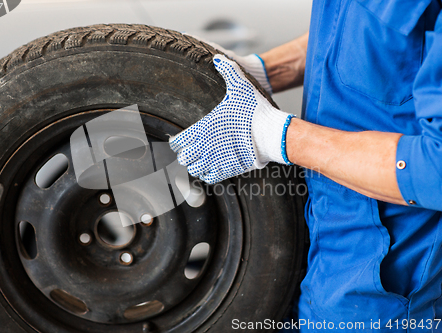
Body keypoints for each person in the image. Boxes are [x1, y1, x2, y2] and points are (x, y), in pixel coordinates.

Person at [169, 0, 442, 331]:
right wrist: (263, 71)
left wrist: (279, 135)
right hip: (321, 248)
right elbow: (355, 26)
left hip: (384, 292)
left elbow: (435, 170)